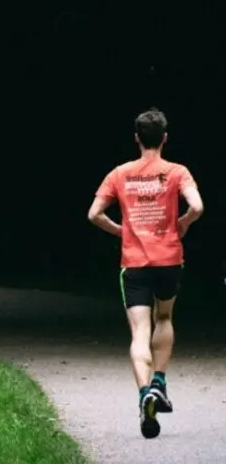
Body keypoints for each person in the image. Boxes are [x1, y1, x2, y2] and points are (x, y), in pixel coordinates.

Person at [87, 107, 204, 439]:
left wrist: (121, 231)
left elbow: (94, 214)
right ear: (164, 138)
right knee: (164, 318)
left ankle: (144, 395)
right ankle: (160, 383)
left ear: (137, 138)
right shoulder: (177, 171)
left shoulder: (119, 174)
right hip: (168, 259)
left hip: (134, 263)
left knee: (139, 332)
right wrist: (182, 223)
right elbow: (196, 207)